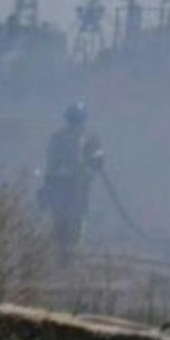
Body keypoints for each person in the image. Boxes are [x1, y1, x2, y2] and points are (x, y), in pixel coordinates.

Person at [39, 102, 103, 265]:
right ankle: (63, 251)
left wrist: (95, 163)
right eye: (74, 120)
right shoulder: (59, 137)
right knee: (61, 216)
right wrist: (47, 184)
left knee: (77, 216)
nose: (75, 124)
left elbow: (98, 158)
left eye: (78, 120)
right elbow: (51, 162)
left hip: (78, 184)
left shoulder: (89, 137)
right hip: (61, 183)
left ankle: (72, 251)